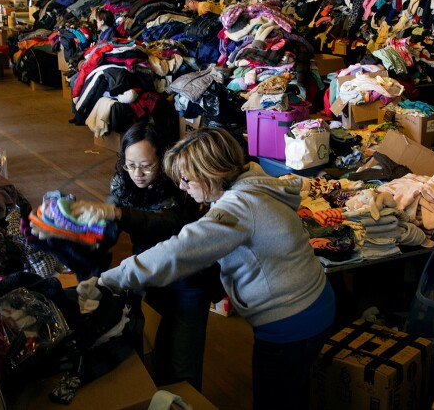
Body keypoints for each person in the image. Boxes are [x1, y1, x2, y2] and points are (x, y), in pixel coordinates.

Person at [100, 128, 335, 410]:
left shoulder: (237, 208)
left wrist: (111, 279)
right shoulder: (252, 180)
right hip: (312, 303)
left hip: (291, 321)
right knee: (291, 392)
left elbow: (179, 252)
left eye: (187, 179)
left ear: (210, 173)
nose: (183, 187)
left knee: (273, 401)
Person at [105, 121, 211, 390]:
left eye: (146, 165)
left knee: (184, 368)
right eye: (130, 165)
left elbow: (168, 223)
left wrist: (120, 214)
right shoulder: (122, 182)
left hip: (188, 281)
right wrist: (77, 227)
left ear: (162, 159)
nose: (137, 174)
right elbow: (107, 228)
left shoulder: (182, 182)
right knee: (162, 354)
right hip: (152, 278)